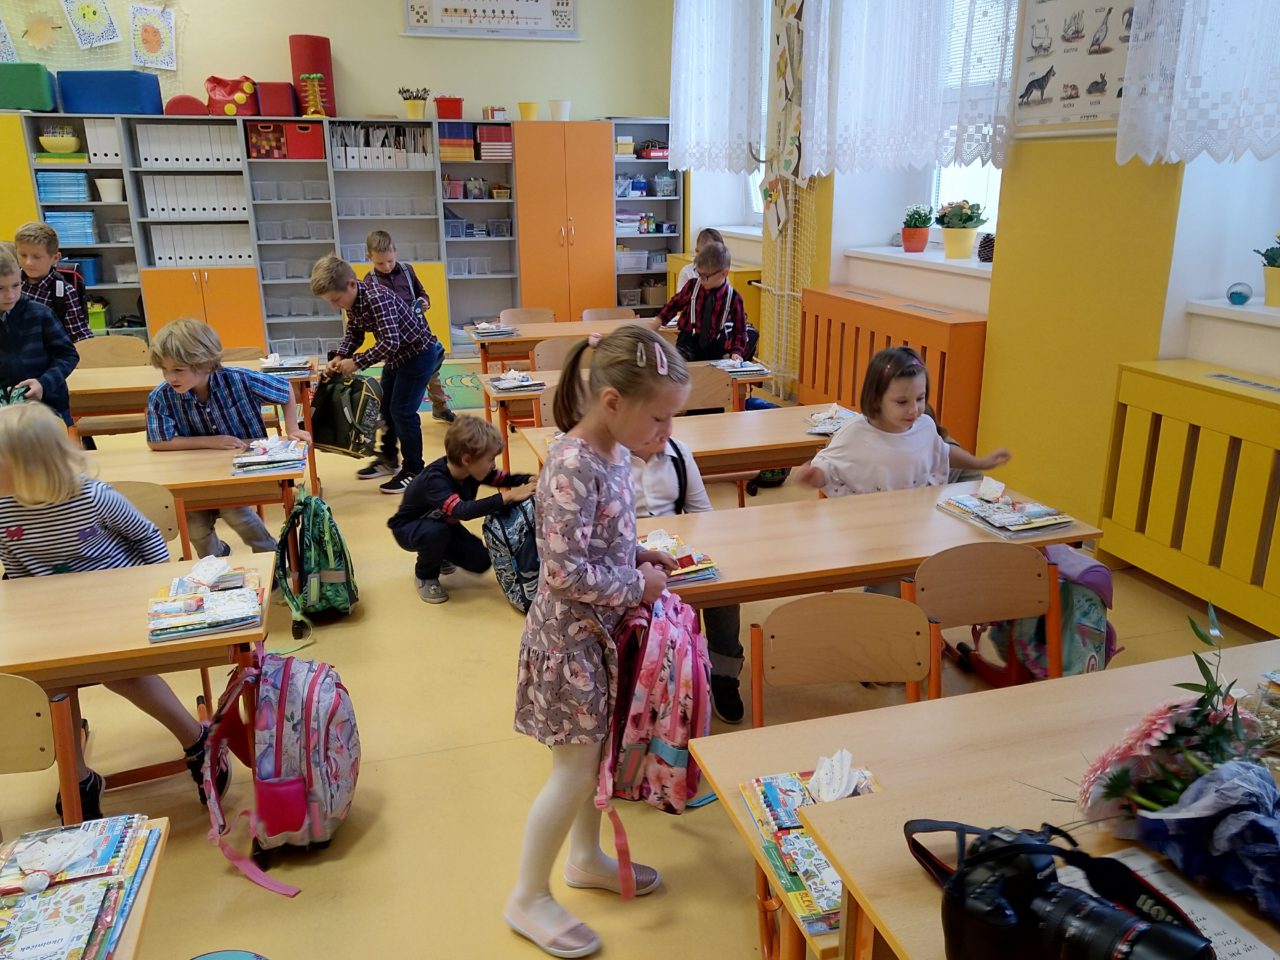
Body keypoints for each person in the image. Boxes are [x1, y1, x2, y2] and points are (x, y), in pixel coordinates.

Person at [507, 326, 689, 959]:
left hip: (598, 640)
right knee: (572, 771)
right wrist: (637, 585)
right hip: (569, 648)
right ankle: (527, 895)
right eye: (659, 418)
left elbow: (596, 540)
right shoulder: (572, 463)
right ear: (612, 401)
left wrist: (634, 554)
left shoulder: (612, 452)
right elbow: (562, 573)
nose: (667, 432)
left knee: (594, 763)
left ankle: (584, 858)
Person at [0, 403, 228, 821]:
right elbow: (14, 569)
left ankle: (198, 740)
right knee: (51, 683)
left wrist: (154, 595)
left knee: (123, 675)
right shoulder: (3, 508)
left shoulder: (91, 496)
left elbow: (148, 538)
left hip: (121, 607)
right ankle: (79, 777)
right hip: (55, 619)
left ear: (30, 465)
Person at [794, 346, 1010, 593]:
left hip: (916, 524)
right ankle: (884, 611)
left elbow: (942, 452)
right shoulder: (855, 432)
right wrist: (813, 476)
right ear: (876, 399)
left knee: (923, 578)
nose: (914, 410)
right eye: (902, 402)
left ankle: (921, 611)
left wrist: (980, 462)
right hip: (876, 532)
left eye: (920, 399)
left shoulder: (924, 425)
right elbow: (829, 466)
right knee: (887, 588)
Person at [145, 318, 310, 558]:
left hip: (240, 471)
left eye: (178, 370)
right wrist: (211, 441)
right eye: (164, 370)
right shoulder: (161, 396)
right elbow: (157, 441)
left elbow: (285, 390)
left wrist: (292, 427)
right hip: (194, 477)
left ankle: (270, 554)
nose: (170, 377)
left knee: (238, 515)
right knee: (195, 527)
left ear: (204, 364)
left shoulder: (239, 379)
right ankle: (217, 559)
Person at [630, 430, 746, 723]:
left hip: (673, 553)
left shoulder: (678, 453)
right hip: (630, 557)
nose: (664, 427)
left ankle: (723, 673)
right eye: (656, 417)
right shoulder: (610, 458)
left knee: (722, 586)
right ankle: (644, 677)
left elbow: (703, 514)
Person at [311, 253, 443, 494]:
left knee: (402, 411)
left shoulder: (376, 298)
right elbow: (355, 333)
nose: (335, 306)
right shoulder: (354, 301)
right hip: (397, 357)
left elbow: (390, 342)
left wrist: (357, 362)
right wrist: (340, 356)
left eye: (336, 300)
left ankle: (414, 470)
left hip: (418, 354)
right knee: (386, 407)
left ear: (351, 284)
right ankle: (389, 459)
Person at [388, 415, 536, 604]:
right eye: (490, 459)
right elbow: (462, 511)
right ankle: (425, 574)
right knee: (435, 533)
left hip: (443, 524)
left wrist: (528, 479)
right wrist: (508, 496)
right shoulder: (434, 480)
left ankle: (440, 553)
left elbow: (504, 479)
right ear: (467, 459)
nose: (493, 465)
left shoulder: (474, 470)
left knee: (481, 561)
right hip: (409, 528)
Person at [364, 229, 455, 424]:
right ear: (369, 257)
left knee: (432, 372)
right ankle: (390, 415)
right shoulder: (369, 281)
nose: (387, 267)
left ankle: (440, 407)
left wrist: (424, 301)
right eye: (380, 263)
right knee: (398, 377)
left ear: (395, 251)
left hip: (419, 334)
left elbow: (422, 293)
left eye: (390, 261)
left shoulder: (407, 271)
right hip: (394, 340)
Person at [0, 243, 79, 425]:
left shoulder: (40, 314)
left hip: (48, 408)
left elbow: (68, 355)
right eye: (0, 289)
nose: (10, 295)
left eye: (16, 285)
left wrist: (43, 383)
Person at [656, 240, 748, 362]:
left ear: (724, 273)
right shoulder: (692, 286)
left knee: (711, 372)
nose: (701, 280)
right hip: (687, 342)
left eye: (705, 277)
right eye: (699, 274)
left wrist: (737, 351)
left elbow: (740, 330)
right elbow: (674, 304)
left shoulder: (734, 298)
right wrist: (659, 320)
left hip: (714, 345)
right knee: (679, 366)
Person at [14, 221, 93, 344]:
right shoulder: (9, 283)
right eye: (23, 255)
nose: (28, 262)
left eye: (37, 257)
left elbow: (79, 335)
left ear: (55, 258)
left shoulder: (64, 292)